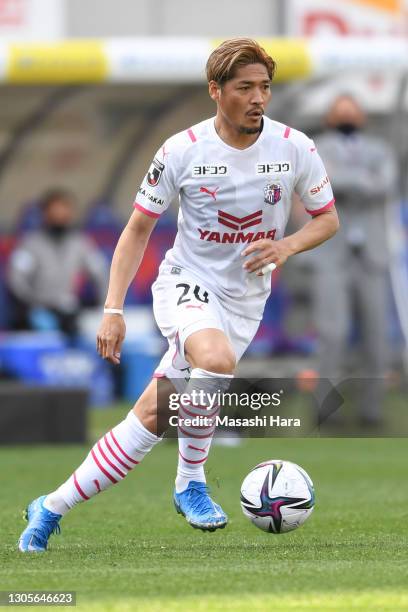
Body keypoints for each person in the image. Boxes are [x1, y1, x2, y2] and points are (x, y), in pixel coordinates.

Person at [18, 38, 338, 552]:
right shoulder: (180, 150)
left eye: (265, 87)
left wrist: (286, 246)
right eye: (245, 88)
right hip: (187, 282)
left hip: (245, 300)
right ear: (216, 91)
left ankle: (50, 506)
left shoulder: (295, 146)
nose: (259, 98)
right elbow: (136, 231)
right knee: (215, 359)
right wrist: (114, 309)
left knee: (151, 416)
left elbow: (327, 220)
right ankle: (191, 480)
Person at [311, 94, 398, 425]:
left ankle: (372, 411)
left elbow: (385, 184)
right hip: (332, 254)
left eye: (352, 108)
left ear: (362, 115)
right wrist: (362, 178)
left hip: (372, 256)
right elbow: (323, 183)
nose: (347, 113)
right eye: (340, 108)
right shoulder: (317, 146)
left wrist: (347, 178)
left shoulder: (380, 149)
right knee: (331, 333)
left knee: (377, 336)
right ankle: (325, 410)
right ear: (330, 116)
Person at [7, 189, 108, 337]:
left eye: (64, 210)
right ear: (45, 213)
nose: (60, 215)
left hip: (69, 311)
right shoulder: (31, 243)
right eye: (55, 211)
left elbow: (101, 273)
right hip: (38, 311)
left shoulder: (80, 243)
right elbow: (16, 281)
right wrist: (31, 307)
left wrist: (104, 307)